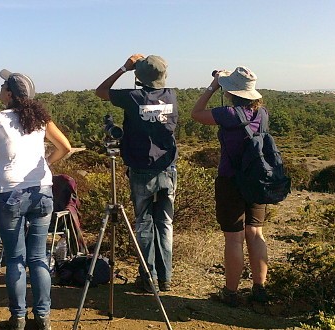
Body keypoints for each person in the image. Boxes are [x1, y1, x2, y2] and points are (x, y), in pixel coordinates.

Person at [0, 69, 71, 330]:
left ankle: (18, 317)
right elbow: (64, 147)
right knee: (38, 257)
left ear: (9, 94)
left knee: (14, 259)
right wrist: (45, 164)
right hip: (42, 191)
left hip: (9, 193)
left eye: (2, 86)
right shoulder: (41, 119)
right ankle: (43, 316)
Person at [95, 54, 179, 293]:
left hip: (142, 170)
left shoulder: (133, 97)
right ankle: (166, 278)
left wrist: (124, 67)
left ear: (139, 77)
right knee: (165, 224)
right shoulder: (171, 96)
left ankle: (148, 277)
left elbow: (101, 91)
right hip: (167, 169)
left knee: (143, 225)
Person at [190, 66, 269, 306]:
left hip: (231, 181)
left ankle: (231, 293)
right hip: (257, 180)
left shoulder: (229, 114)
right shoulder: (262, 113)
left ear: (231, 91)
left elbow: (196, 113)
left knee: (234, 239)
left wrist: (214, 85)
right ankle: (260, 289)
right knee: (256, 234)